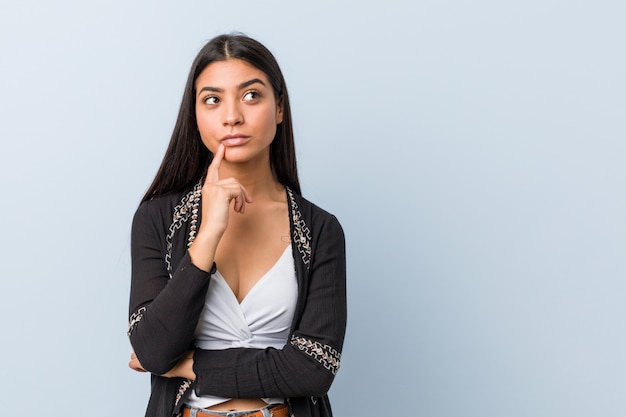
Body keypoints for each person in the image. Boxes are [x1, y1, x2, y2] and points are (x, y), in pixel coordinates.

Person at [127, 34, 347, 417]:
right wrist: (208, 235)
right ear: (195, 116)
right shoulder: (157, 219)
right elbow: (152, 350)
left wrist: (191, 367)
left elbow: (313, 369)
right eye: (212, 100)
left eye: (251, 96)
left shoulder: (320, 229)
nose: (232, 116)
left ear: (279, 108)